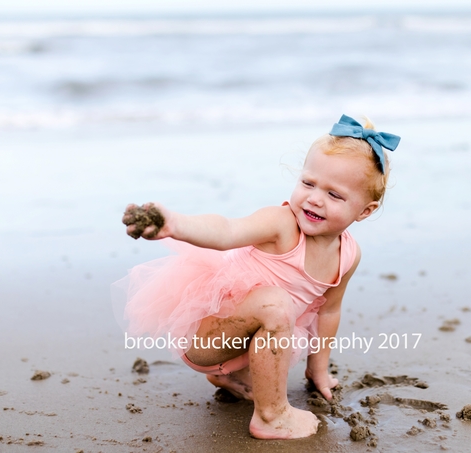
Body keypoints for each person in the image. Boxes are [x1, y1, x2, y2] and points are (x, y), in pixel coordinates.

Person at [113, 115, 400, 439]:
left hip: (243, 347)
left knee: (281, 313)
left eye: (334, 195)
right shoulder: (281, 224)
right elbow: (226, 230)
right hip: (208, 335)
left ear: (365, 210)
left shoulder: (348, 255)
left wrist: (317, 370)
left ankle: (233, 377)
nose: (314, 198)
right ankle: (271, 415)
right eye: (308, 183)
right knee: (277, 303)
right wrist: (175, 224)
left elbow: (329, 310)